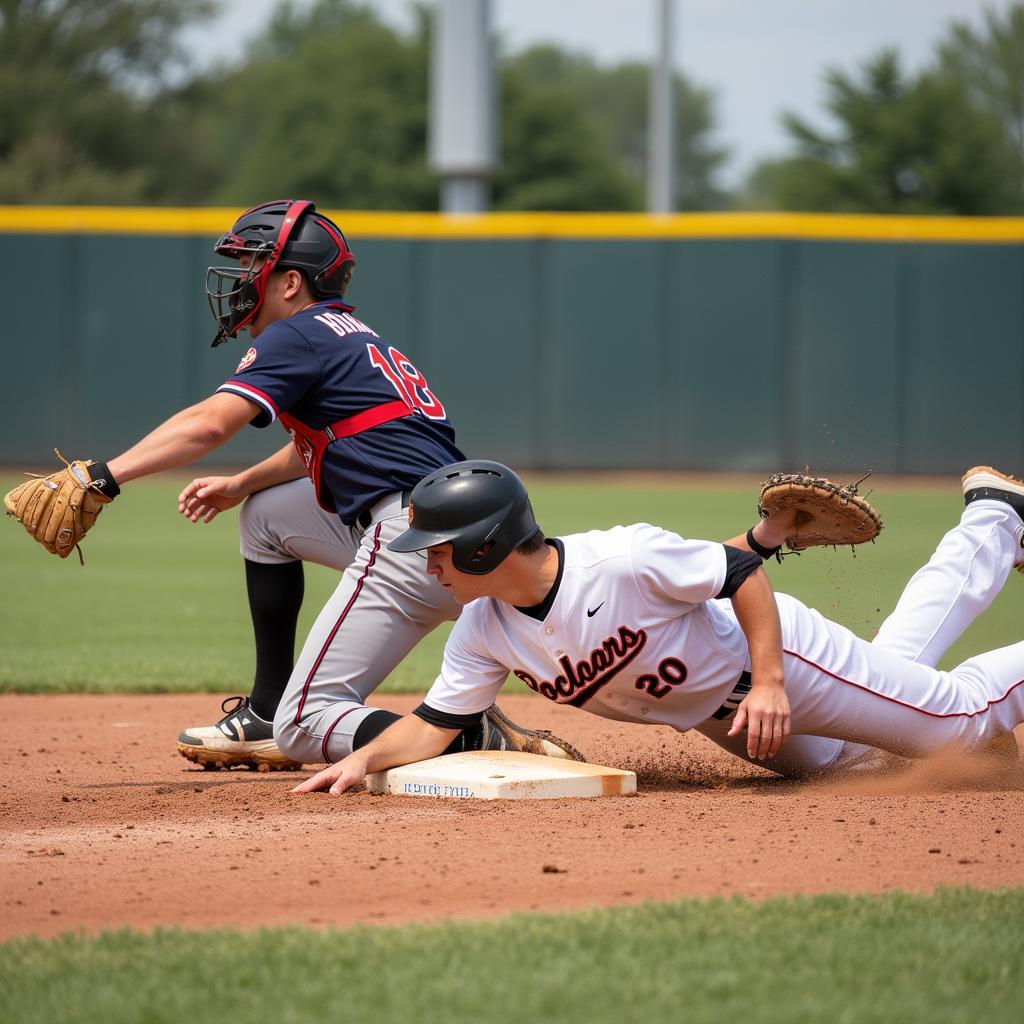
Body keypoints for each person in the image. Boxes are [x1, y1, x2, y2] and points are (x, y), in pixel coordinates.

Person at [68, 200, 579, 770]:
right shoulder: (352, 335)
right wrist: (242, 482)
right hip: (455, 537)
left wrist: (104, 476)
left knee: (304, 723)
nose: (240, 283)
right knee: (265, 516)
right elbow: (324, 441)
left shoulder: (296, 334)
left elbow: (211, 423)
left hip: (409, 541)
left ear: (291, 282)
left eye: (252, 268)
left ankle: (459, 733)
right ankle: (261, 709)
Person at [295, 460, 1024, 795]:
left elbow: (739, 575)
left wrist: (771, 681)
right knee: (864, 745)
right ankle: (994, 515)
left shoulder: (620, 558)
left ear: (486, 544)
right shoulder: (483, 629)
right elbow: (434, 722)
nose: (428, 568)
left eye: (438, 552)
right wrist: (364, 759)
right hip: (724, 715)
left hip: (787, 665)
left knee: (959, 724)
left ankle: (994, 522)